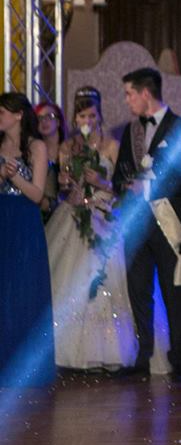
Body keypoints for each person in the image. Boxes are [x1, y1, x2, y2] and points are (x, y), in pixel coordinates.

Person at [112, 67, 181, 382]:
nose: (127, 100)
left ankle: (179, 359)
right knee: (138, 289)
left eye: (129, 94)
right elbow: (120, 173)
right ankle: (143, 355)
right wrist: (125, 185)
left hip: (169, 219)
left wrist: (148, 188)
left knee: (175, 291)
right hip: (137, 223)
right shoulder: (130, 130)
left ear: (145, 93)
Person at [45, 86, 137, 370]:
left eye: (92, 116)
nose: (87, 121)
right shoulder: (67, 147)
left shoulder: (111, 146)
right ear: (75, 119)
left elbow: (121, 187)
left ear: (100, 116)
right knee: (70, 278)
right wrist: (67, 184)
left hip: (103, 213)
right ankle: (66, 350)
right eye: (82, 116)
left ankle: (109, 351)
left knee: (104, 278)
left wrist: (100, 182)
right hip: (75, 215)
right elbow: (63, 187)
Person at [0, 92, 56, 387]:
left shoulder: (36, 146)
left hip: (24, 221)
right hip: (2, 217)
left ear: (18, 115)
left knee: (24, 289)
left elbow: (37, 194)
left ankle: (27, 365)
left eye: (2, 112)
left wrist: (14, 177)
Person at [35, 102, 65, 221]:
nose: (44, 121)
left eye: (49, 116)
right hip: (40, 214)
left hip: (66, 213)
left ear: (58, 122)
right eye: (39, 118)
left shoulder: (69, 150)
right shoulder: (33, 153)